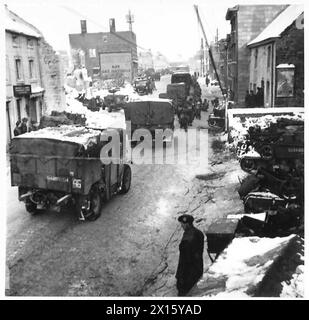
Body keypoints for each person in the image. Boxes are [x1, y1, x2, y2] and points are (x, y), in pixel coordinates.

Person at [176, 214, 204, 296]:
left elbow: (184, 260)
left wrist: (180, 277)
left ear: (187, 224)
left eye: (182, 224)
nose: (181, 226)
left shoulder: (187, 239)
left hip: (187, 275)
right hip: (198, 270)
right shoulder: (199, 233)